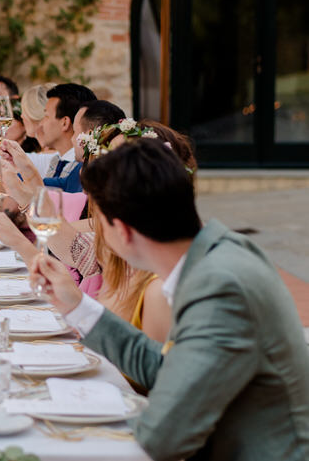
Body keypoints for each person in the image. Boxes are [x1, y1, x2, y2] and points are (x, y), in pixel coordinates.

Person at [32, 138, 309, 461]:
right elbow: (171, 368)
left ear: (122, 231)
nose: (98, 237)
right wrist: (77, 305)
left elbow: (162, 437)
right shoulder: (220, 250)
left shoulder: (220, 288)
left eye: (98, 224)